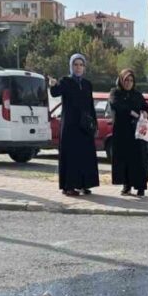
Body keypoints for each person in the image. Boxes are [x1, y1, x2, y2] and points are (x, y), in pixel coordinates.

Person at [49, 54, 99, 196]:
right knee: (70, 155)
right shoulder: (65, 81)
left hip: (84, 125)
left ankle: (84, 184)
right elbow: (55, 93)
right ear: (71, 66)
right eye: (75, 64)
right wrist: (52, 85)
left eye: (81, 65)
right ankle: (68, 186)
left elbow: (90, 105)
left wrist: (94, 123)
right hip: (70, 125)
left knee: (85, 155)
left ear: (84, 67)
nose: (78, 67)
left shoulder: (87, 84)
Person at [109, 69, 148, 196]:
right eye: (126, 80)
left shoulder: (137, 94)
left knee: (139, 159)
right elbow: (117, 105)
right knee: (124, 159)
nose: (128, 83)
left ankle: (141, 186)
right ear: (121, 80)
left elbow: (146, 107)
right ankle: (126, 185)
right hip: (122, 132)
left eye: (131, 80)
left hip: (137, 133)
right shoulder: (115, 92)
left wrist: (145, 112)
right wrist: (133, 113)